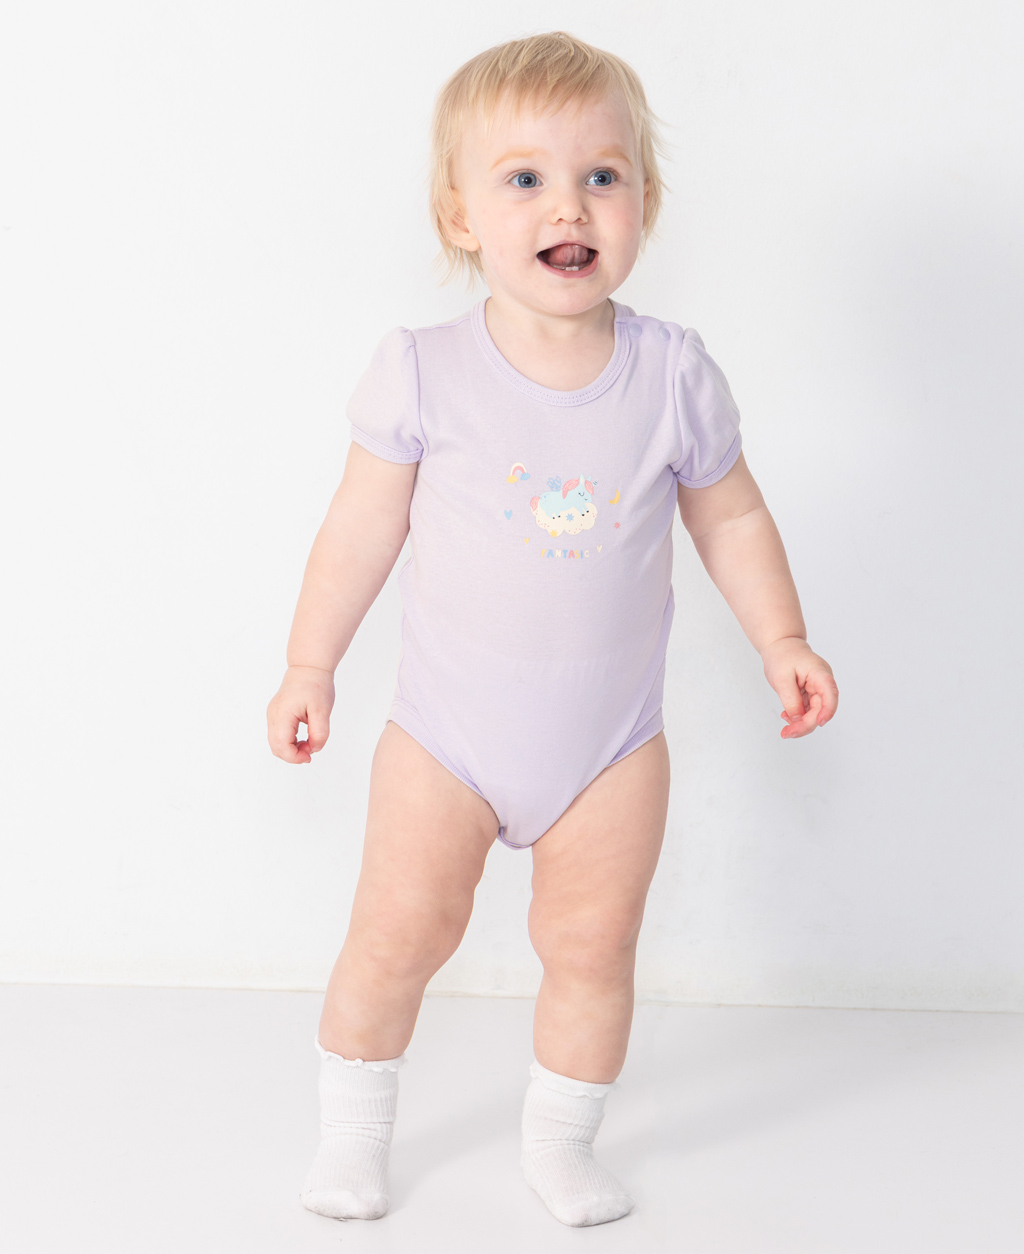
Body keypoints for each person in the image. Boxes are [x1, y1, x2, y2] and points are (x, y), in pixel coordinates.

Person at [266, 29, 838, 1229]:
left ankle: (561, 1144)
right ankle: (352, 1137)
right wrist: (309, 662)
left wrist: (781, 638)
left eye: (602, 175)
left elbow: (731, 516)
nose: (567, 204)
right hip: (444, 739)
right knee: (396, 935)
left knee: (592, 949)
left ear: (644, 205)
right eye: (524, 177)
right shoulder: (422, 371)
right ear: (460, 215)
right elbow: (358, 529)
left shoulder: (671, 374)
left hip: (610, 747)